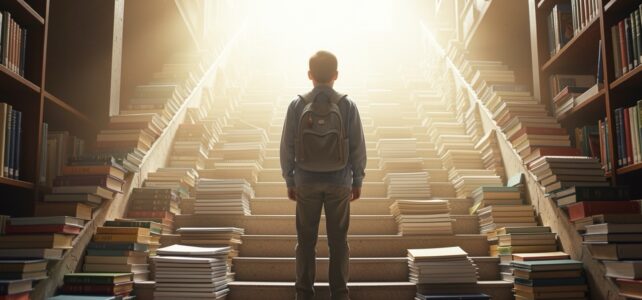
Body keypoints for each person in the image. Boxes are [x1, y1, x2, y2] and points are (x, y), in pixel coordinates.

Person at [280, 50, 367, 300]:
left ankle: (304, 294)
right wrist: (357, 179)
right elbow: (358, 147)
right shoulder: (347, 105)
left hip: (306, 181)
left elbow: (287, 146)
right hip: (339, 181)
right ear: (336, 75)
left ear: (310, 75)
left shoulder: (297, 105)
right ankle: (339, 294)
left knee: (305, 242)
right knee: (338, 242)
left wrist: (290, 179)